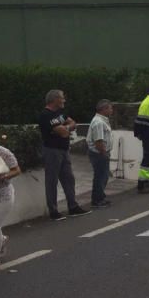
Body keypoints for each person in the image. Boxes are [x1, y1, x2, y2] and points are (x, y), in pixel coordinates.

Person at [39, 89, 89, 218]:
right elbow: (63, 132)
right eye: (62, 98)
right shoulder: (45, 115)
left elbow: (73, 124)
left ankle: (73, 206)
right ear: (54, 99)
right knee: (52, 181)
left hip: (64, 149)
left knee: (69, 179)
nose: (64, 100)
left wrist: (65, 128)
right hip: (52, 150)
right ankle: (53, 211)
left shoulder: (60, 113)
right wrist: (66, 128)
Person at [0, 122, 21, 272]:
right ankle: (2, 240)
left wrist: (2, 176)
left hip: (3, 194)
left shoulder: (3, 152)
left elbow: (17, 170)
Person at [86, 99, 114, 207]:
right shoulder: (98, 122)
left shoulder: (102, 120)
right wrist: (103, 152)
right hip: (99, 153)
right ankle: (97, 200)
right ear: (104, 109)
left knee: (103, 176)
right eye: (110, 108)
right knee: (100, 176)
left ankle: (100, 197)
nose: (111, 110)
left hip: (101, 152)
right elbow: (99, 141)